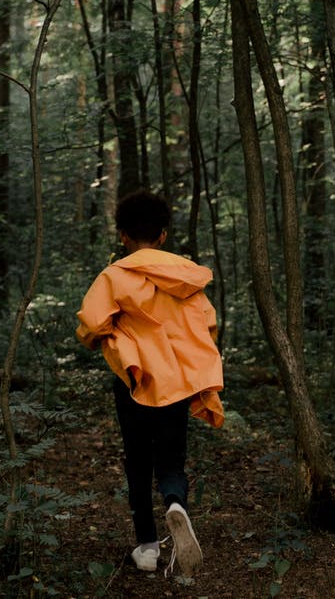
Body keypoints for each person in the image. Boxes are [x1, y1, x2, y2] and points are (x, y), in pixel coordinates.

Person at [76, 190, 225, 576]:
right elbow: (207, 325)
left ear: (122, 235)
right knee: (172, 459)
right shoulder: (186, 276)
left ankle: (146, 547)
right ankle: (176, 503)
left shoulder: (114, 276)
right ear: (162, 236)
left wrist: (111, 338)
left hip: (134, 379)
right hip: (176, 381)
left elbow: (92, 323)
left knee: (137, 461)